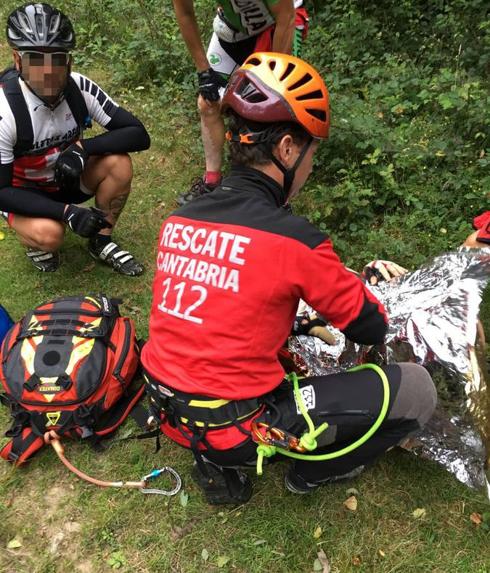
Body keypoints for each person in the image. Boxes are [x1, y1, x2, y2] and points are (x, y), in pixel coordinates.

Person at [141, 52, 437, 505]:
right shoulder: (295, 241)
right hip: (240, 425)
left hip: (167, 408)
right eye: (311, 154)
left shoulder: (179, 219)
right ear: (286, 149)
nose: (311, 168)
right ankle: (310, 472)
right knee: (417, 389)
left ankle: (216, 456)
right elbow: (370, 326)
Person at [0, 3, 150, 274]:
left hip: (65, 177)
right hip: (21, 190)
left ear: (69, 61)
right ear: (18, 60)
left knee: (119, 163)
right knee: (50, 235)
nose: (47, 71)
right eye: (36, 60)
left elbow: (138, 134)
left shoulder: (79, 88)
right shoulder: (4, 109)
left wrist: (83, 148)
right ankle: (35, 237)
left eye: (56, 60)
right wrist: (68, 213)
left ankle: (100, 239)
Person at [172, 0, 308, 205]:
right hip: (233, 28)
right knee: (208, 102)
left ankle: (277, 195)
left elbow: (286, 17)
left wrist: (273, 79)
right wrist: (203, 71)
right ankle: (211, 182)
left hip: (277, 23)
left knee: (273, 110)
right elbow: (185, 14)